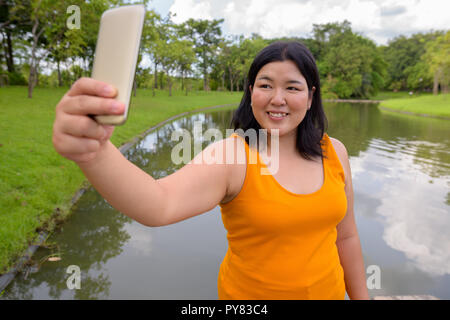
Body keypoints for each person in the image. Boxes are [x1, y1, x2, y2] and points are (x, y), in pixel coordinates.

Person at [52, 41, 369, 300]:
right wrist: (93, 152)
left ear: (311, 96)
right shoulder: (233, 156)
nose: (277, 99)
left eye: (293, 88)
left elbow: (347, 236)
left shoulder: (335, 151)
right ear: (250, 91)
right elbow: (159, 203)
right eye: (266, 85)